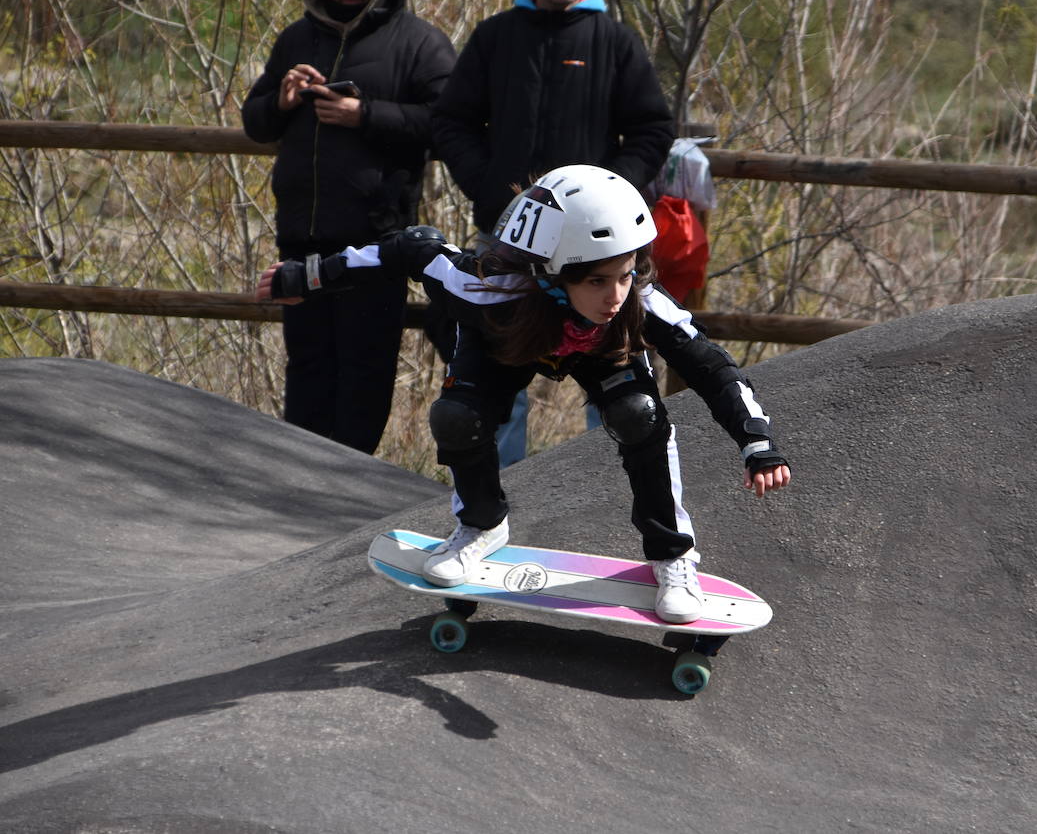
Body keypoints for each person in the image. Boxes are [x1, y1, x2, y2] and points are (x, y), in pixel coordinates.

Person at [256, 165, 790, 623]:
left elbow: (714, 368)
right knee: (456, 417)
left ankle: (673, 556)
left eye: (626, 275)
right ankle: (480, 527)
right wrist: (306, 275)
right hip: (504, 343)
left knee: (638, 413)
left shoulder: (637, 302)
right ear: (552, 274)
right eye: (597, 282)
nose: (615, 295)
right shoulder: (485, 285)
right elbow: (409, 249)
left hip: (600, 354)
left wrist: (756, 442)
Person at [429, 0, 675, 465]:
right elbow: (451, 121)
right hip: (510, 234)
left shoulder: (614, 41)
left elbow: (653, 129)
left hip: (599, 245)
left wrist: (612, 196)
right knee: (497, 358)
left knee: (614, 368)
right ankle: (502, 490)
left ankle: (606, 492)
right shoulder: (496, 37)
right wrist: (492, 188)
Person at [241, 0, 456, 454]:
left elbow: (449, 122)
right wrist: (285, 100)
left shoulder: (420, 43)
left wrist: (366, 115)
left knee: (364, 371)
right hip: (301, 237)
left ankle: (349, 491)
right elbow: (256, 122)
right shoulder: (296, 38)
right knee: (308, 366)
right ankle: (300, 480)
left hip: (375, 241)